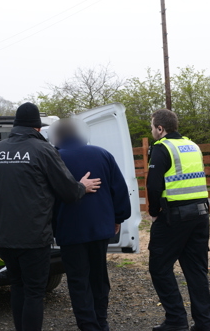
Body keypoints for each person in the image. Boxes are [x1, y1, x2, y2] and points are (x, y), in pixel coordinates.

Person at [0, 102, 101, 331]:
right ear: (37, 128)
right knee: (33, 292)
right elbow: (68, 192)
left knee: (18, 287)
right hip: (34, 238)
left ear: (15, 125)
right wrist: (81, 186)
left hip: (3, 238)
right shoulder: (43, 151)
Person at [50, 118, 131, 331]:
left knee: (78, 280)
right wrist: (118, 218)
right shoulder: (102, 154)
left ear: (57, 136)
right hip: (100, 228)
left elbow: (47, 198)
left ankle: (88, 325)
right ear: (78, 134)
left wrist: (50, 227)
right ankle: (101, 321)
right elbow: (119, 190)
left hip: (70, 230)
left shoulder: (55, 159)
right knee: (98, 275)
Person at [146, 109, 210, 331]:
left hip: (174, 217)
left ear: (160, 128)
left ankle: (176, 320)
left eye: (153, 127)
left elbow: (154, 185)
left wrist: (154, 211)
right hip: (201, 215)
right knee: (196, 270)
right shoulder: (193, 146)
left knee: (159, 266)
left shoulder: (161, 147)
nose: (152, 131)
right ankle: (204, 324)